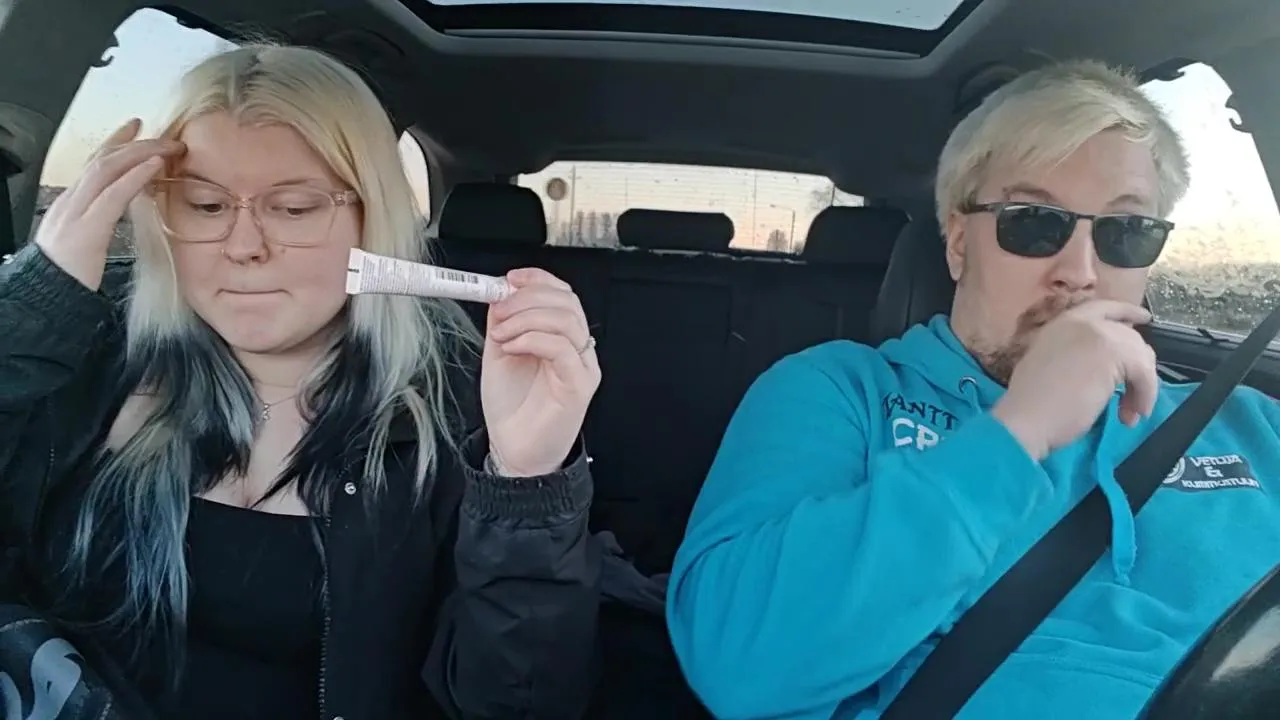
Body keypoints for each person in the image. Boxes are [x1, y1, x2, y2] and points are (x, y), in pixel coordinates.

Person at [0, 44, 602, 719]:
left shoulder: (460, 407)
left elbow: (516, 705)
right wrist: (32, 308)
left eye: (293, 209)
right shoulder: (89, 346)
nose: (244, 246)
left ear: (371, 217)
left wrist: (526, 486)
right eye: (205, 205)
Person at [666, 59, 1280, 719]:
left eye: (1125, 232)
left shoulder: (1250, 424)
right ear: (959, 243)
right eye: (1033, 222)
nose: (1079, 272)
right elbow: (740, 667)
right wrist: (1018, 434)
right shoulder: (838, 394)